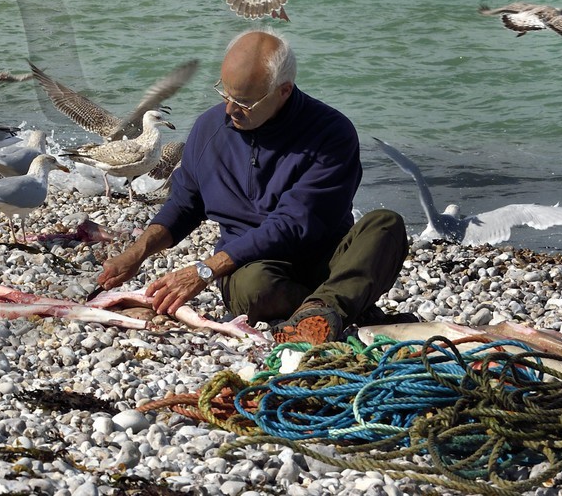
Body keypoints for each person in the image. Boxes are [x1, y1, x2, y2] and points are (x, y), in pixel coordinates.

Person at [97, 30, 407, 344]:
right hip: (249, 268)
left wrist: (205, 270)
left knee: (385, 225)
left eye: (244, 102)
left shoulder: (332, 134)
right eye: (225, 94)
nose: (230, 110)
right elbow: (184, 204)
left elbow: (291, 225)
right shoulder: (209, 128)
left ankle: (323, 307)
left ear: (284, 90)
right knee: (255, 286)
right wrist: (137, 253)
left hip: (323, 261)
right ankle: (339, 306)